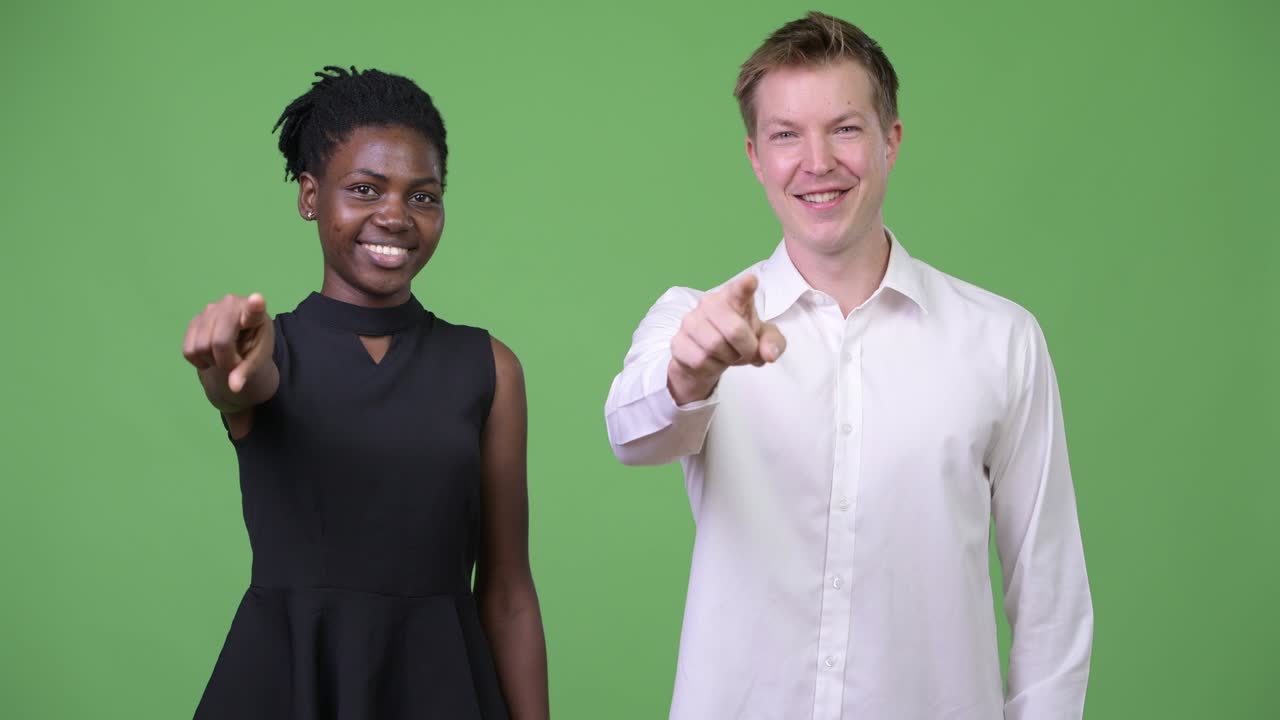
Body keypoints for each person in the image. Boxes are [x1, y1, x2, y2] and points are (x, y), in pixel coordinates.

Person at [604, 13, 1092, 720]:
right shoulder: (696, 322)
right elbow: (632, 434)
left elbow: (1049, 596)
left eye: (845, 128)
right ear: (754, 157)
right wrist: (690, 374)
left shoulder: (1001, 339)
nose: (817, 162)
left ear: (890, 140)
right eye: (785, 135)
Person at [182, 66, 548, 720]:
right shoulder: (270, 349)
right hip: (288, 684)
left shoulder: (488, 367)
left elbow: (508, 594)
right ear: (309, 196)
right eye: (364, 189)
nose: (395, 216)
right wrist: (224, 361)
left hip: (441, 686)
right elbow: (239, 385)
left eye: (423, 196)